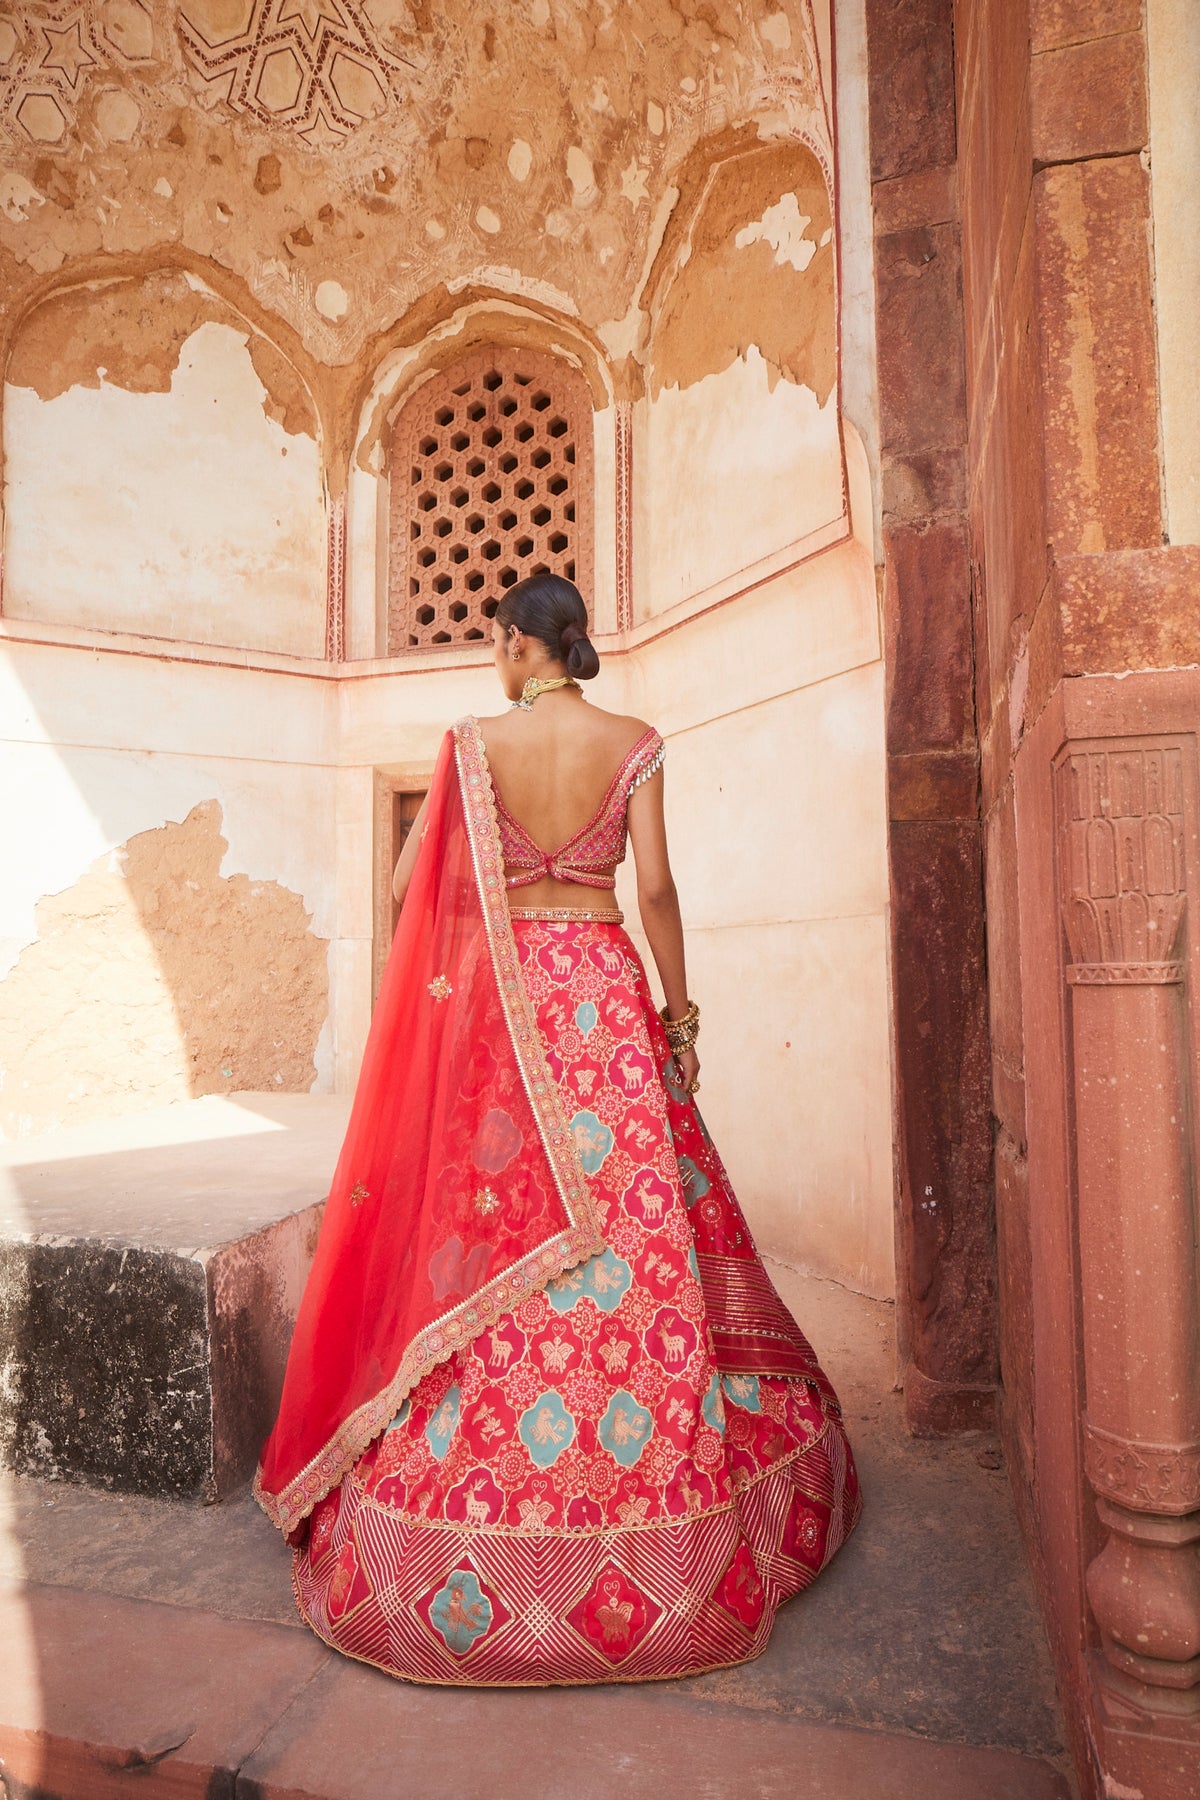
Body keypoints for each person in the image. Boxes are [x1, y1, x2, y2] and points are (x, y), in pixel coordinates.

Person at [254, 571, 863, 1685]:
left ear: (517, 647)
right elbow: (661, 889)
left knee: (490, 1228)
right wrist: (678, 1016)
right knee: (642, 1230)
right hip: (605, 998)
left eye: (498, 646)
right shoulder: (636, 740)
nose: (496, 663)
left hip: (509, 1017)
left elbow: (409, 883)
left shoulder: (473, 746)